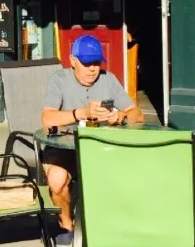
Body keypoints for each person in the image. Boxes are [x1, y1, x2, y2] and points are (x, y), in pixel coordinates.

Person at [40, 35, 144, 246]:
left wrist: (121, 117)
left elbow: (138, 114)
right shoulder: (59, 80)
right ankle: (67, 227)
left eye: (96, 62)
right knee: (57, 179)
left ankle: (111, 224)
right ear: (73, 61)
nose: (92, 69)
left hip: (100, 148)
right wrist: (81, 113)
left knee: (130, 174)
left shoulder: (108, 80)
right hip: (64, 148)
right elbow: (47, 119)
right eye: (86, 63)